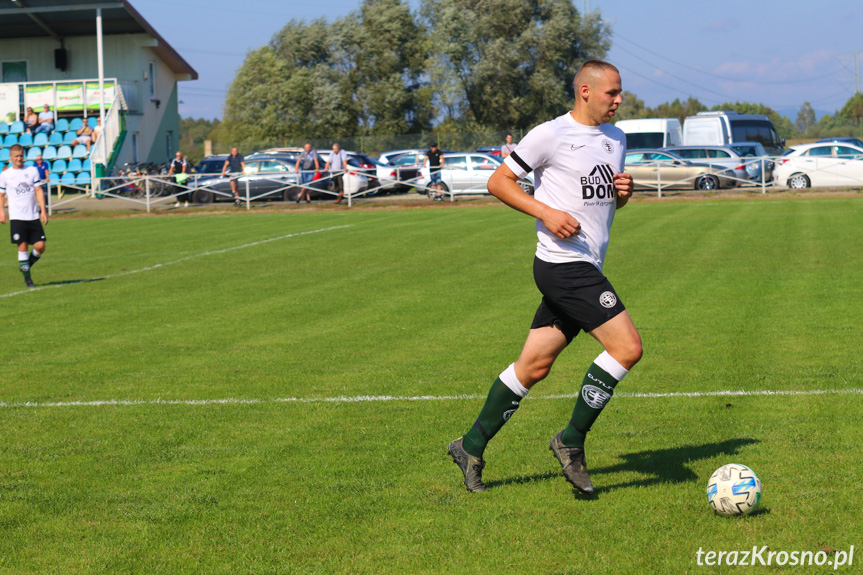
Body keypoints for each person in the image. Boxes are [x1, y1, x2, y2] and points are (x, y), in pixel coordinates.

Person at [447, 60, 640, 496]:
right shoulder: (550, 134)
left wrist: (622, 196)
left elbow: (604, 204)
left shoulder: (616, 138)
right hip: (561, 265)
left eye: (620, 92)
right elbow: (499, 181)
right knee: (627, 347)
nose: (619, 100)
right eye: (612, 92)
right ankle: (569, 442)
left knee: (533, 366)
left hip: (587, 264)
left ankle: (470, 445)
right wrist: (546, 212)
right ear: (586, 91)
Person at [0, 145, 48, 288]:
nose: (19, 158)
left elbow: (38, 190)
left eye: (21, 155)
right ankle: (28, 280)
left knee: (40, 246)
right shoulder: (5, 175)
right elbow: (1, 195)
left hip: (33, 215)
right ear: (11, 157)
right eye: (16, 156)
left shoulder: (31, 170)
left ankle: (26, 265)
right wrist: (1, 211)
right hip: (17, 217)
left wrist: (43, 210)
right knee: (22, 246)